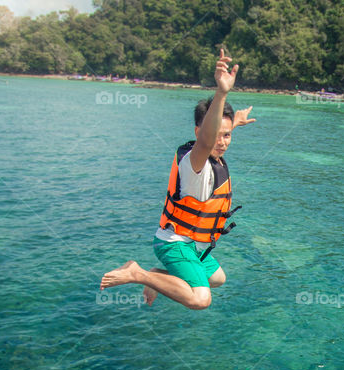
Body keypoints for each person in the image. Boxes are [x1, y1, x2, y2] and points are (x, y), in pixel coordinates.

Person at [100, 48, 255, 310]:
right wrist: (222, 93)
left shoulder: (216, 152)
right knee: (200, 299)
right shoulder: (195, 163)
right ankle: (138, 273)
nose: (222, 141)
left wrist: (234, 121)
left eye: (227, 135)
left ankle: (157, 277)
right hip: (173, 243)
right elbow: (207, 139)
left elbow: (216, 133)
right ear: (199, 131)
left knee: (217, 278)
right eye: (217, 134)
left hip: (192, 242)